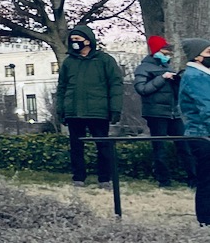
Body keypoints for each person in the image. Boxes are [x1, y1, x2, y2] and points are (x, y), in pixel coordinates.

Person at [55, 24, 123, 187]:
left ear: (88, 41)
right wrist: (61, 110)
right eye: (72, 40)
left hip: (98, 112)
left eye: (77, 39)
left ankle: (104, 179)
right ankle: (78, 178)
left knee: (103, 146)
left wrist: (115, 108)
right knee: (76, 147)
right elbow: (62, 86)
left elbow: (115, 84)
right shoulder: (68, 62)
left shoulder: (105, 60)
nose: (74, 43)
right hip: (74, 112)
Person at [134, 34, 192, 186]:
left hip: (174, 113)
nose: (167, 55)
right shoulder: (143, 68)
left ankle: (193, 179)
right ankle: (164, 181)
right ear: (156, 51)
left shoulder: (168, 67)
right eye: (164, 52)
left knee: (185, 147)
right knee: (160, 148)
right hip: (156, 114)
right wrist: (162, 78)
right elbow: (142, 89)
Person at [176, 38, 210, 226]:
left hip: (202, 132)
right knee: (207, 180)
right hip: (203, 134)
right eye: (208, 52)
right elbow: (208, 108)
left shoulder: (201, 75)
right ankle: (206, 221)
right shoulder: (196, 76)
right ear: (197, 57)